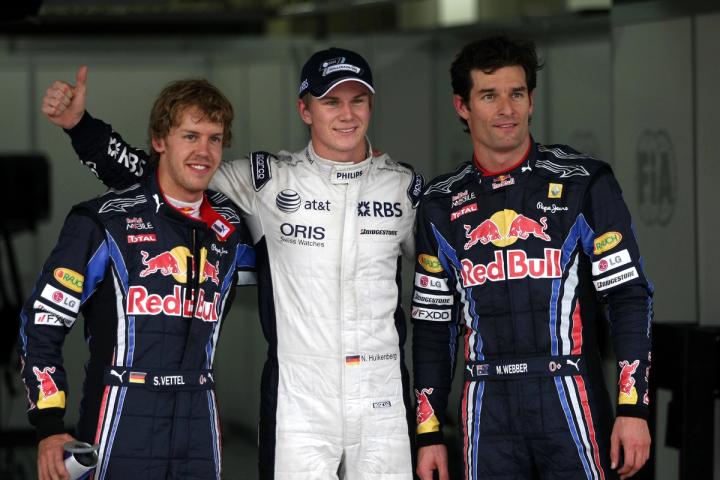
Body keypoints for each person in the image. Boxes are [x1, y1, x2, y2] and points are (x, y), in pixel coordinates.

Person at [41, 48, 423, 479]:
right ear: (305, 109)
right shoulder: (265, 178)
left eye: (357, 100)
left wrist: (429, 427)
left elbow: (449, 277)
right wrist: (81, 127)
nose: (346, 114)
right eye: (331, 101)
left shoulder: (403, 187)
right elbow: (157, 178)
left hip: (381, 392)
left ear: (372, 105)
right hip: (299, 395)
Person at [411, 35, 653, 480]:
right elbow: (431, 326)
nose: (506, 108)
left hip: (569, 392)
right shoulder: (439, 205)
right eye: (489, 95)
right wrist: (428, 434)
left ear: (531, 100)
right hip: (486, 401)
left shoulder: (585, 183)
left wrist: (633, 406)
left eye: (516, 93)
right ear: (462, 107)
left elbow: (628, 298)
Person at [23, 78, 256, 480]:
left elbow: (300, 271)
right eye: (190, 135)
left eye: (215, 139)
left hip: (199, 416)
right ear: (160, 140)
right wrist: (49, 426)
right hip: (120, 413)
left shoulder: (234, 229)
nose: (204, 151)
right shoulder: (103, 221)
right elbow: (43, 322)